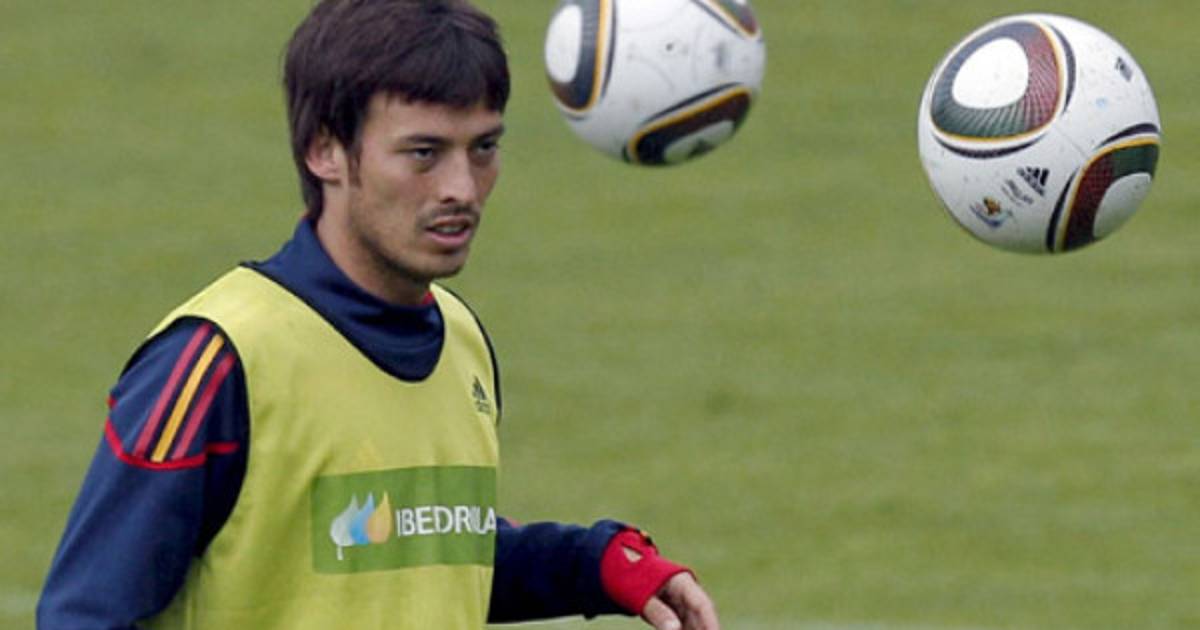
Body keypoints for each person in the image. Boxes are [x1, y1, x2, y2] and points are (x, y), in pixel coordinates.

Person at [36, 1, 720, 628]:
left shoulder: (461, 340)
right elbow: (84, 613)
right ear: (325, 150)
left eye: (483, 148)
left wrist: (594, 565)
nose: (461, 188)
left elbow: (420, 559)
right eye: (424, 153)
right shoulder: (220, 361)